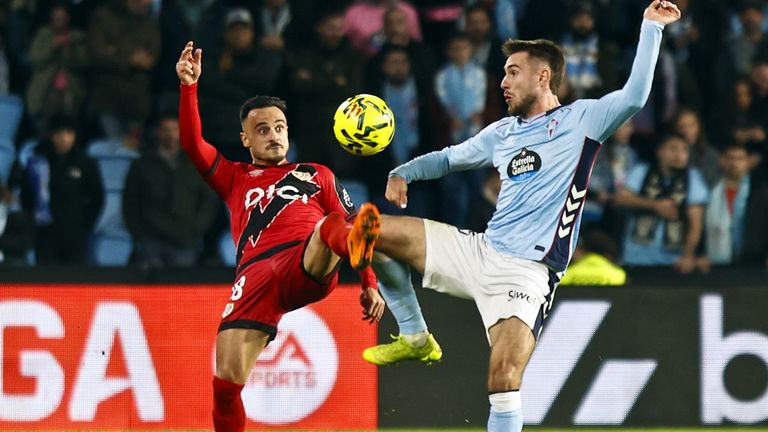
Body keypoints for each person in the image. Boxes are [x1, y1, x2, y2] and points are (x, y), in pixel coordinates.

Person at [362, 2, 681, 431]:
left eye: (513, 71)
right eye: (504, 72)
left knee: (503, 379)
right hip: (479, 250)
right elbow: (450, 159)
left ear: (542, 76)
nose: (503, 81)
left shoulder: (583, 119)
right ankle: (416, 335)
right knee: (372, 229)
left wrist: (650, 27)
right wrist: (405, 171)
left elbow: (636, 95)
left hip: (527, 272)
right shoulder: (503, 132)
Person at [175, 41, 385, 432]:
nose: (273, 135)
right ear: (245, 140)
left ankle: (348, 252)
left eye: (279, 127)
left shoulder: (316, 173)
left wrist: (368, 282)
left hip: (304, 260)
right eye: (262, 130)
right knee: (225, 385)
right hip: (253, 279)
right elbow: (192, 144)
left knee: (330, 227)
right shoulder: (234, 176)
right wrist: (189, 87)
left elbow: (348, 227)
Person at [122, 114, 218, 268]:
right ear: (157, 132)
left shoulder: (196, 163)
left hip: (185, 237)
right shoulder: (141, 164)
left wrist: (197, 228)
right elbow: (130, 201)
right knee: (151, 290)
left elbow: (209, 199)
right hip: (151, 237)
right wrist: (138, 233)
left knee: (182, 289)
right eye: (166, 129)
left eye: (175, 129)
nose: (170, 134)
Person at [614, 134, 708, 273]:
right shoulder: (642, 171)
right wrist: (655, 205)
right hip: (636, 257)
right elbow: (619, 200)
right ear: (659, 151)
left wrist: (688, 255)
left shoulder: (693, 178)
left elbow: (696, 224)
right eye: (673, 149)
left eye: (684, 150)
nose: (679, 155)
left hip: (673, 261)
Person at [701, 143, 768, 268]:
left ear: (748, 162)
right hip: (714, 263)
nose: (734, 163)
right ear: (722, 161)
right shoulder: (708, 191)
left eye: (739, 158)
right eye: (730, 158)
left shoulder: (761, 192)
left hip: (754, 263)